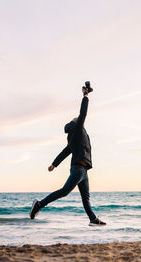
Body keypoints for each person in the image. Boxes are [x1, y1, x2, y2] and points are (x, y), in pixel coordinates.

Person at [30, 82, 106, 226]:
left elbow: (65, 151)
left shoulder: (77, 137)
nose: (80, 120)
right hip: (78, 169)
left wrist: (54, 164)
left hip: (83, 170)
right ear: (75, 124)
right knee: (65, 191)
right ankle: (39, 205)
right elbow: (83, 113)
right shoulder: (77, 130)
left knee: (86, 197)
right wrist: (85, 95)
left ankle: (93, 219)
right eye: (77, 120)